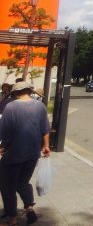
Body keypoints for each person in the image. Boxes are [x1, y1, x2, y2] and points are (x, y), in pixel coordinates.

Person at [0, 81, 50, 226]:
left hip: (14, 154)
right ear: (29, 91)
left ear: (15, 93)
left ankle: (12, 218)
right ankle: (29, 209)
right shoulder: (40, 106)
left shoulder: (11, 107)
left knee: (6, 184)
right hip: (33, 153)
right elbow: (45, 128)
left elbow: (5, 132)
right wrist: (46, 146)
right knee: (22, 182)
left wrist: (3, 147)